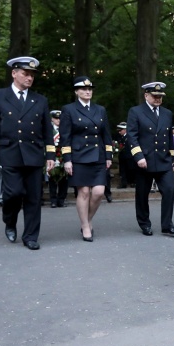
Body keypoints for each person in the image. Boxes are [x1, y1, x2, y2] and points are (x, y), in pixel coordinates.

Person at [0, 56, 55, 250]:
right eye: (25, 73)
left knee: (34, 197)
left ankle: (31, 236)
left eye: (32, 75)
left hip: (33, 153)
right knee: (13, 193)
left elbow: (47, 130)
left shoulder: (40, 99)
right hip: (9, 152)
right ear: (14, 73)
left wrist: (50, 155)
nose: (29, 78)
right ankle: (10, 220)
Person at [60, 76, 113, 242]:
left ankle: (88, 219)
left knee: (98, 192)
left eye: (90, 89)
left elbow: (106, 134)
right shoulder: (69, 109)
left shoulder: (100, 109)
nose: (87, 92)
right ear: (76, 92)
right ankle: (85, 225)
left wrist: (109, 155)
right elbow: (65, 136)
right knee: (83, 192)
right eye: (83, 89)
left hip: (98, 155)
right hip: (79, 156)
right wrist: (67, 159)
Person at [126, 81, 174, 237]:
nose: (158, 99)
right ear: (146, 95)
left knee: (169, 190)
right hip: (145, 160)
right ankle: (144, 223)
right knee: (142, 194)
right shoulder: (136, 112)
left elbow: (170, 137)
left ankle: (167, 224)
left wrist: (172, 158)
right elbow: (132, 136)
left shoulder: (167, 113)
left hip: (163, 160)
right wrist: (138, 156)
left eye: (160, 96)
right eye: (155, 96)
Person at [48, 109, 68, 208]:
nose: (58, 120)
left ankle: (61, 200)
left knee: (64, 179)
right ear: (52, 119)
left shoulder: (66, 129)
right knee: (52, 179)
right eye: (56, 119)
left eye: (60, 119)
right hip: (53, 157)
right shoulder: (49, 130)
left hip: (64, 156)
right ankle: (53, 200)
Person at [115, 122, 135, 188]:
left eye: (120, 130)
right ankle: (124, 183)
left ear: (125, 130)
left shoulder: (129, 136)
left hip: (129, 156)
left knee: (131, 170)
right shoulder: (121, 137)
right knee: (122, 170)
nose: (119, 132)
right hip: (123, 156)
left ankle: (132, 182)